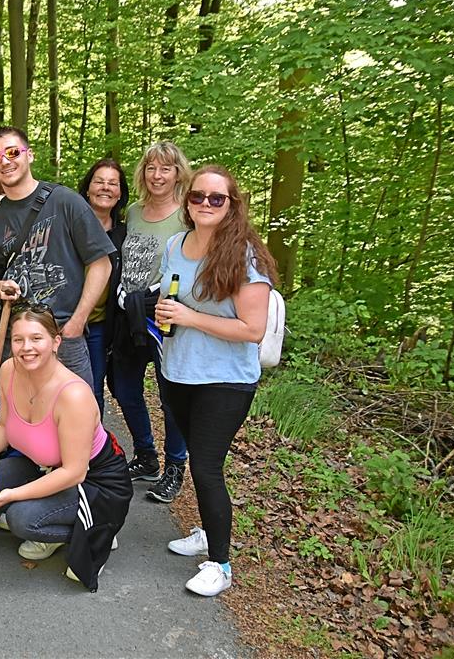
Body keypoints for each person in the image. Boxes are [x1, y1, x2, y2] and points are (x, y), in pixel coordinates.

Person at [0, 306, 131, 591]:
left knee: (20, 518)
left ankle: (98, 528)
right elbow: (4, 427)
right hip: (45, 465)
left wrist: (14, 495)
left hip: (94, 482)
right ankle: (48, 514)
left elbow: (74, 472)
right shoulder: (9, 370)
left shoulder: (74, 395)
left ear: (56, 342)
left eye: (36, 338)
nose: (26, 348)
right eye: (18, 340)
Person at [155, 165, 277, 597]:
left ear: (232, 205)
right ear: (187, 201)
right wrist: (163, 311)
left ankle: (220, 565)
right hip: (177, 371)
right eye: (198, 197)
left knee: (207, 467)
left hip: (224, 381)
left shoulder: (246, 256)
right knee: (197, 461)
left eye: (216, 198)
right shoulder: (175, 244)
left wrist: (190, 317)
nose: (205, 204)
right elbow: (174, 296)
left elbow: (252, 329)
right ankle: (208, 532)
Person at [0, 126, 114, 390]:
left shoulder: (65, 202)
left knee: (78, 418)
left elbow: (100, 263)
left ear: (30, 155)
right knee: (20, 420)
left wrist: (77, 321)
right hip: (16, 340)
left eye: (13, 152)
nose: (5, 161)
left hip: (64, 335)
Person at [108, 141, 193, 504]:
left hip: (164, 316)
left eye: (166, 169)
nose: (157, 176)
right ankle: (145, 455)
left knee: (170, 394)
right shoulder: (135, 212)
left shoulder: (187, 215)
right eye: (151, 168)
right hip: (130, 313)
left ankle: (176, 466)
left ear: (178, 174)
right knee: (123, 386)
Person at [78, 159, 129, 417]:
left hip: (99, 326)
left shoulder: (124, 235)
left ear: (120, 193)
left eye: (113, 183)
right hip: (64, 321)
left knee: (93, 388)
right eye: (99, 181)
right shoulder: (70, 224)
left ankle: (93, 449)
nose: (105, 188)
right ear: (88, 188)